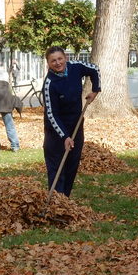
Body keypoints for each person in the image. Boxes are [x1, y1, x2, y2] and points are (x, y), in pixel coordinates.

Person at [42, 46, 101, 196]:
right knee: (57, 168)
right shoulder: (50, 84)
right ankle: (56, 203)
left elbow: (95, 69)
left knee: (71, 166)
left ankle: (65, 201)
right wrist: (64, 137)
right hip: (56, 132)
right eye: (53, 60)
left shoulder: (76, 68)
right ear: (48, 63)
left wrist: (95, 90)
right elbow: (51, 114)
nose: (57, 63)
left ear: (65, 58)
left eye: (60, 58)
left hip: (76, 125)